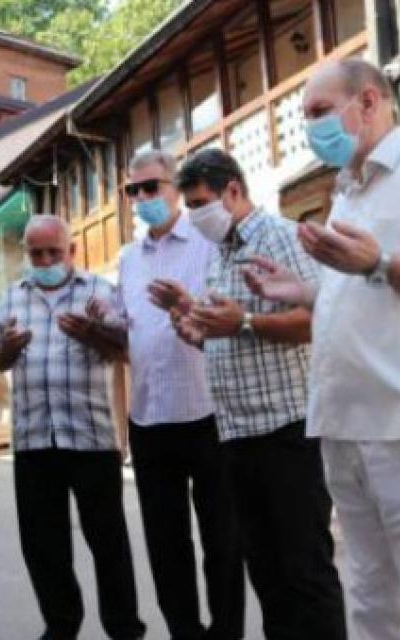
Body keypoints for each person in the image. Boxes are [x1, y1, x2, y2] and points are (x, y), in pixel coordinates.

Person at [151, 148, 346, 640]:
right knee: (265, 573)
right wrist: (193, 328)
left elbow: (318, 321)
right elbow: (227, 335)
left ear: (233, 191)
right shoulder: (221, 254)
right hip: (236, 435)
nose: (194, 216)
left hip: (287, 429)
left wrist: (243, 323)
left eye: (200, 204)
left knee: (305, 570)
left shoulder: (281, 237)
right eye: (190, 206)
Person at [244, 59, 400, 640]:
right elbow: (362, 295)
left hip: (393, 423)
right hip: (341, 423)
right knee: (370, 590)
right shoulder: (347, 190)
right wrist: (306, 291)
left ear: (368, 101)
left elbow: (376, 271)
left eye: (318, 112)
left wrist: (378, 262)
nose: (310, 129)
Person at [0, 214, 145, 640]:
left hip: (90, 438)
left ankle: (124, 629)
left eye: (53, 252)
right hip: (34, 439)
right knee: (43, 545)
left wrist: (93, 333)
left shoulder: (100, 291)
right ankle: (60, 625)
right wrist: (7, 349)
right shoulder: (13, 297)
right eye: (36, 253)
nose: (45, 261)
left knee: (108, 542)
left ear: (71, 251)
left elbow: (124, 349)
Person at [111, 150, 244, 640]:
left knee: (223, 540)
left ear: (175, 188)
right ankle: (184, 632)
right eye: (135, 190)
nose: (143, 197)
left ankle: (226, 632)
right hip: (149, 416)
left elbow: (229, 314)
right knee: (166, 544)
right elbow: (126, 334)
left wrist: (186, 309)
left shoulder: (208, 243)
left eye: (152, 187)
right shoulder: (128, 259)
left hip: (208, 411)